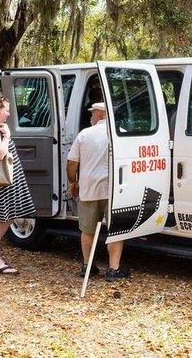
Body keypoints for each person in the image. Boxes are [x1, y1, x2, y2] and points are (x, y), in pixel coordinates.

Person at [67, 102, 130, 282]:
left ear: (101, 115)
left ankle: (88, 266)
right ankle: (113, 269)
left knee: (87, 230)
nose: (90, 117)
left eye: (93, 114)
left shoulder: (84, 134)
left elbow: (72, 163)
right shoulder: (122, 134)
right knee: (115, 230)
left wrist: (73, 182)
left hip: (89, 189)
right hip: (115, 190)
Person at [0, 88, 35, 275]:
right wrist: (8, 137)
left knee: (10, 216)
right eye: (6, 110)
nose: (9, 113)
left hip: (5, 180)